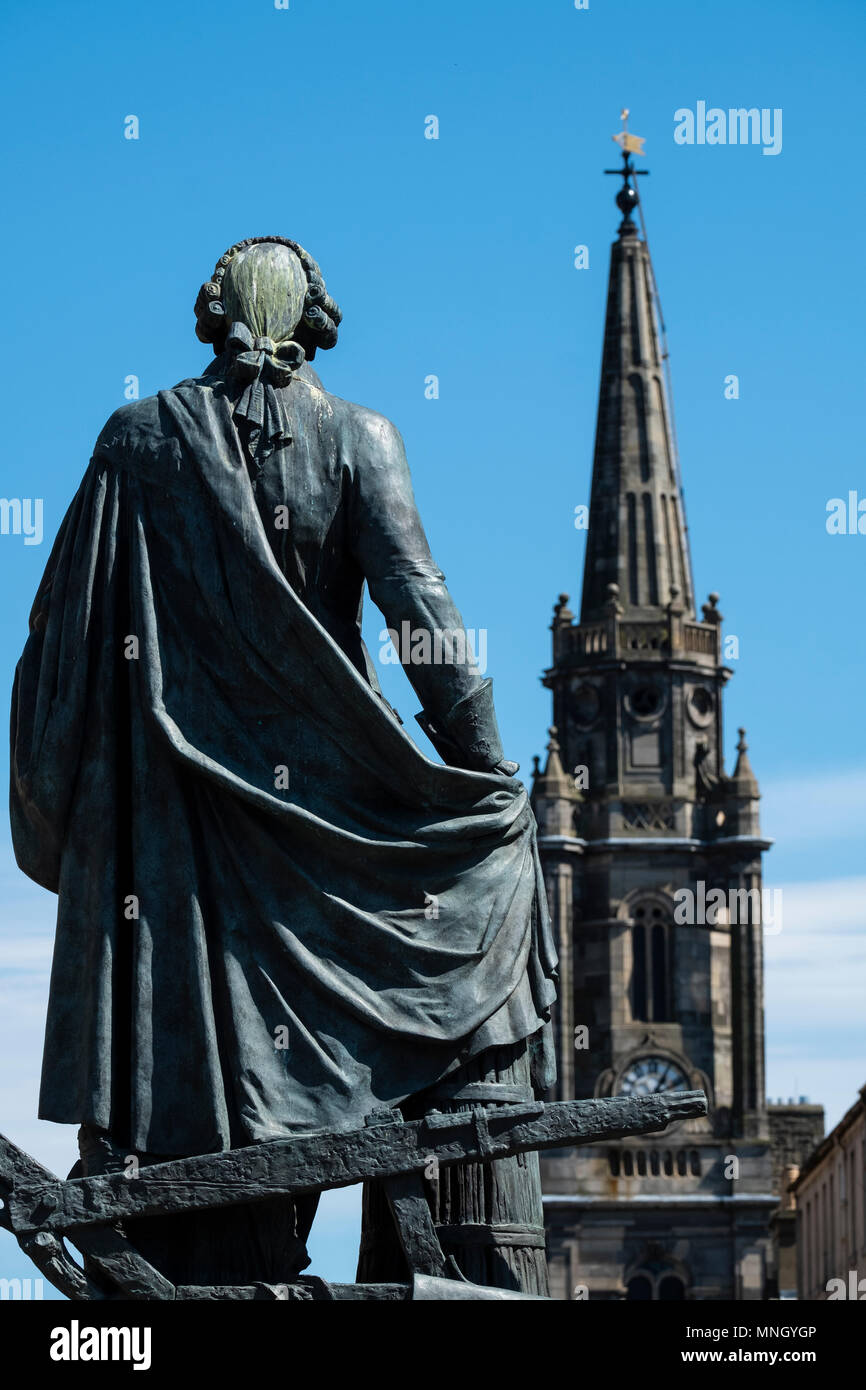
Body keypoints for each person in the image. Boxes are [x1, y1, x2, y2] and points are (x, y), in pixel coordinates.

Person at [10, 237, 556, 1291]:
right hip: (324, 825)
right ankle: (476, 1191)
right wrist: (485, 771)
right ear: (316, 323)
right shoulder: (359, 437)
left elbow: (61, 655)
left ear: (212, 314)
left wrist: (71, 806)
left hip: (183, 852)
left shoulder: (136, 439)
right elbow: (421, 614)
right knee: (497, 862)